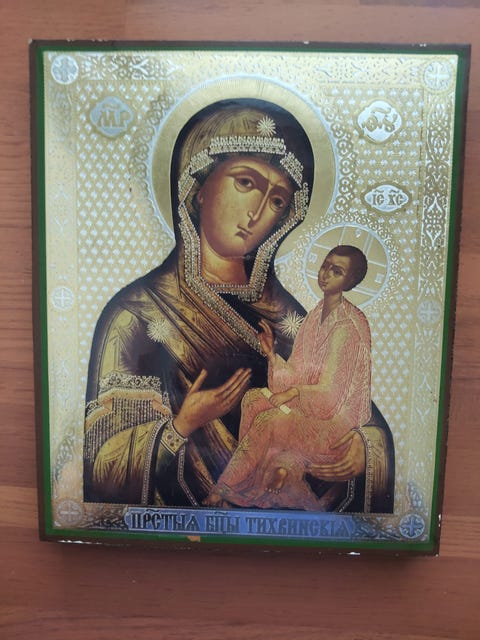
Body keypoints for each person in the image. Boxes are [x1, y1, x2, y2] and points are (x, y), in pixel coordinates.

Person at [83, 97, 394, 512]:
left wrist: (365, 447)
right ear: (198, 187)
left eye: (278, 200)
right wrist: (181, 425)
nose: (257, 212)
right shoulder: (137, 315)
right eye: (245, 183)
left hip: (288, 525)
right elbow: (102, 468)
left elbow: (347, 401)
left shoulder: (293, 317)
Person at [205, 245, 372, 510]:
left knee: (270, 420)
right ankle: (265, 476)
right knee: (253, 400)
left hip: (336, 426)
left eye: (337, 271)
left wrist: (293, 394)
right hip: (312, 411)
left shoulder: (347, 327)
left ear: (350, 281)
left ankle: (225, 488)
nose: (326, 274)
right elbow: (296, 374)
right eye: (325, 265)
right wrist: (271, 355)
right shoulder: (315, 316)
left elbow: (332, 397)